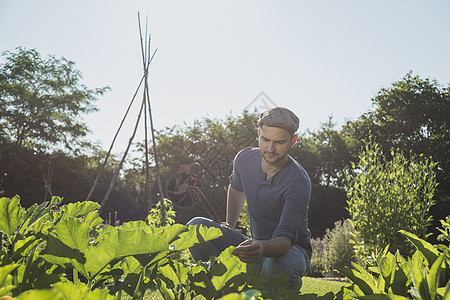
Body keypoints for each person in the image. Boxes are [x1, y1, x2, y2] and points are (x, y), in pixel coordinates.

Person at [187, 107, 311, 290]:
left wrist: (261, 247)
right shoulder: (244, 159)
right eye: (265, 139)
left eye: (279, 142)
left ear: (293, 141)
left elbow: (284, 240)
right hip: (255, 245)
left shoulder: (298, 182)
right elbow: (236, 188)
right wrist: (230, 224)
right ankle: (223, 292)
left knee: (276, 266)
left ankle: (284, 287)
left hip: (291, 250)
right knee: (195, 227)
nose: (270, 148)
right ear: (259, 134)